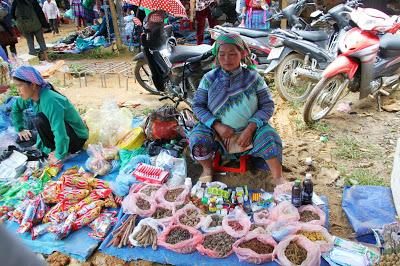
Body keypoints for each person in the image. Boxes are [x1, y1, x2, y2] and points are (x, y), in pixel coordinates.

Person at [189, 33, 283, 184]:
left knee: (270, 137)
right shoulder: (209, 78)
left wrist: (250, 129)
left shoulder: (254, 78)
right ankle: (207, 169)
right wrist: (217, 125)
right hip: (216, 132)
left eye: (233, 54)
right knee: (198, 139)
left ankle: (278, 177)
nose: (227, 59)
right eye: (222, 54)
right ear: (216, 55)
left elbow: (267, 105)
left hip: (249, 131)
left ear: (243, 54)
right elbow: (198, 106)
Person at [11, 66, 88, 164]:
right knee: (21, 139)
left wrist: (59, 155)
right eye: (16, 86)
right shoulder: (30, 96)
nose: (18, 90)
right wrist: (20, 129)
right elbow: (16, 108)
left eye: (20, 85)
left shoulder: (50, 100)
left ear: (33, 85)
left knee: (39, 119)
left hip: (76, 138)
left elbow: (59, 130)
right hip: (61, 133)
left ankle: (62, 149)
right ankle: (54, 147)